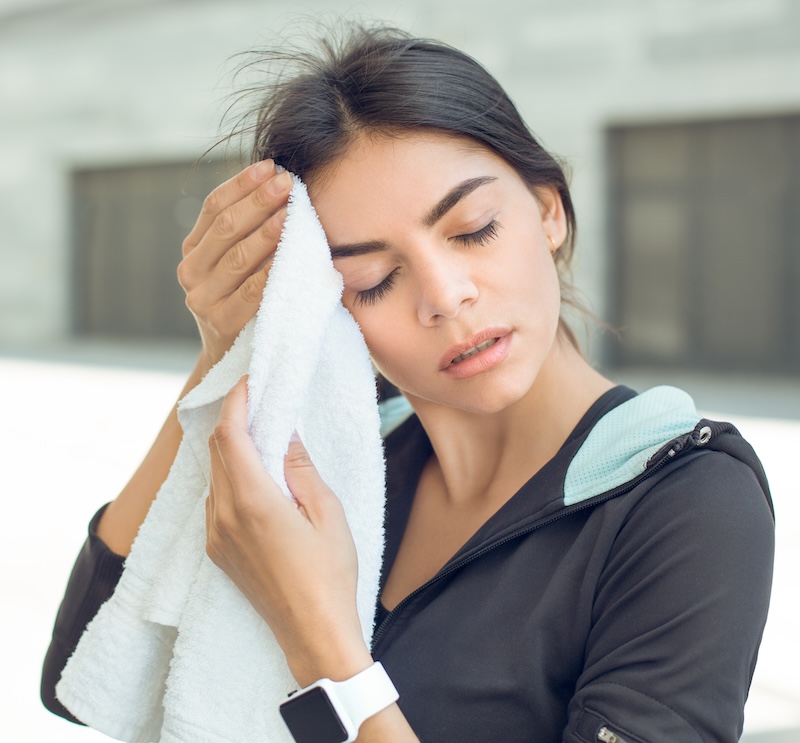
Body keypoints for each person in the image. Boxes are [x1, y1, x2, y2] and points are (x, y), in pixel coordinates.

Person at [41, 24, 774, 743]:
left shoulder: (687, 501)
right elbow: (87, 676)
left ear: (548, 208)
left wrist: (319, 640)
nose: (445, 294)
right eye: (375, 278)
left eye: (473, 228)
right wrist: (225, 354)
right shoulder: (339, 450)